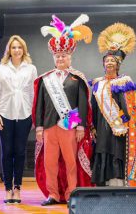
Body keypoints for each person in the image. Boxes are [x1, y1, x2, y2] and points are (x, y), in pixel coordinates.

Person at [32, 14, 93, 205]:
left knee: (70, 162)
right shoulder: (45, 79)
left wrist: (81, 126)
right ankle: (53, 194)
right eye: (57, 55)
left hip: (70, 124)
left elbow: (83, 103)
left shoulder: (77, 78)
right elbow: (39, 104)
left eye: (64, 55)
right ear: (54, 57)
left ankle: (71, 193)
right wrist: (39, 127)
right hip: (49, 126)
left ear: (70, 56)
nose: (60, 58)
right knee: (50, 163)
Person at [91, 23, 136, 187]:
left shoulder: (125, 82)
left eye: (112, 61)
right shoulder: (98, 83)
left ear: (118, 64)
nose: (109, 63)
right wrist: (92, 127)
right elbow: (94, 108)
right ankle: (103, 181)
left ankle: (119, 181)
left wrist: (126, 122)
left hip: (121, 125)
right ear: (103, 64)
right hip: (102, 125)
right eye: (107, 61)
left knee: (117, 151)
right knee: (103, 150)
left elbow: (131, 106)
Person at [0, 35, 37, 203]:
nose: (16, 50)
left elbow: (33, 94)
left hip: (25, 115)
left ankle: (17, 187)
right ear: (9, 50)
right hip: (4, 114)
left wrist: (34, 117)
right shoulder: (1, 68)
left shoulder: (31, 68)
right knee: (7, 152)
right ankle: (7, 188)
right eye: (13, 47)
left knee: (20, 152)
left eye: (19, 47)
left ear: (23, 49)